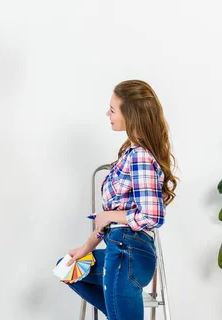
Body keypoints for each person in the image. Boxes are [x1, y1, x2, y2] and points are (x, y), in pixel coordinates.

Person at [59, 80, 177, 320]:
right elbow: (111, 220)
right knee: (67, 267)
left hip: (128, 251)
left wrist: (109, 216)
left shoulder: (140, 157)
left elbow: (152, 216)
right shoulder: (132, 154)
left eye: (112, 110)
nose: (107, 114)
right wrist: (86, 248)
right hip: (120, 247)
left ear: (130, 115)